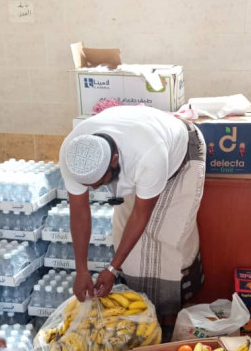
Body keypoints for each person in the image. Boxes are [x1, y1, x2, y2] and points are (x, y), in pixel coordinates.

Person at [59, 105, 206, 337]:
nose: (95, 189)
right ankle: (141, 317)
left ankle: (169, 317)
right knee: (126, 242)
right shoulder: (73, 154)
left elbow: (141, 215)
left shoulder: (148, 155)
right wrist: (82, 270)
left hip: (181, 155)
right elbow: (79, 213)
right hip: (142, 157)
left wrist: (112, 268)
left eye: (100, 182)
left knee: (166, 238)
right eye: (89, 185)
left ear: (114, 160)